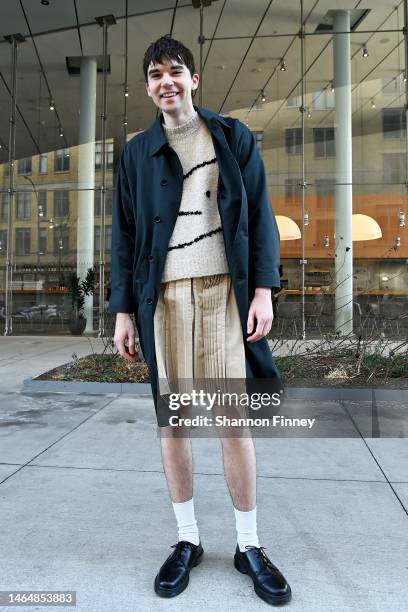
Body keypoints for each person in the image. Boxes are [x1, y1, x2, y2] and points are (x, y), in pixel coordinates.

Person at [109, 36, 291, 606]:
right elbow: (124, 235)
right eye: (155, 74)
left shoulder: (231, 137)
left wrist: (263, 290)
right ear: (147, 87)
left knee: (232, 423)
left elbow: (259, 213)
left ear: (193, 79)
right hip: (161, 300)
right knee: (175, 425)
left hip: (223, 295)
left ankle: (248, 545)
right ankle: (187, 539)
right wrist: (121, 310)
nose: (166, 81)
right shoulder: (136, 152)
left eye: (175, 71)